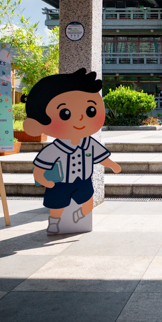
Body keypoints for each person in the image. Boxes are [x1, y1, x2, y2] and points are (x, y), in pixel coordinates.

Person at [23, 68, 121, 234]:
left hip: (83, 180)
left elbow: (100, 156)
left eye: (90, 110)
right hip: (60, 183)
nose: (81, 118)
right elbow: (40, 167)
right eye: (65, 113)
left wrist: (111, 164)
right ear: (37, 124)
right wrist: (41, 178)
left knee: (88, 201)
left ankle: (80, 215)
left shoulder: (89, 143)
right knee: (58, 205)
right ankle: (54, 222)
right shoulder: (55, 148)